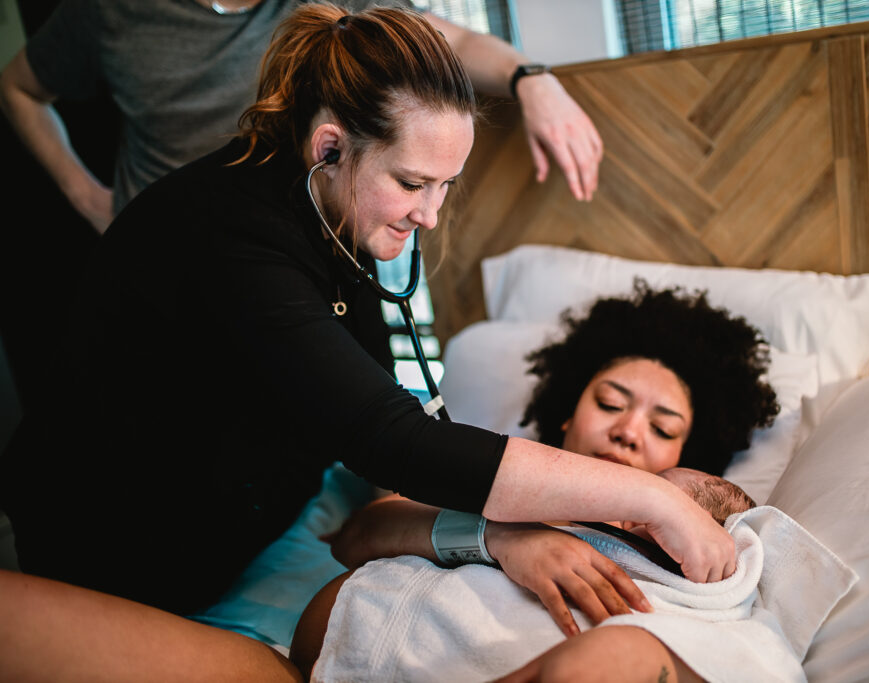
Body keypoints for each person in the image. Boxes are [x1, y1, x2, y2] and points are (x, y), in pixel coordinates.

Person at [0, 8, 732, 679]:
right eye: (415, 182)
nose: (432, 215)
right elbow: (392, 439)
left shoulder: (336, 222)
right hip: (117, 560)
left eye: (447, 185)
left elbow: (377, 442)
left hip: (236, 539)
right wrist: (652, 500)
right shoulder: (234, 235)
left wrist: (496, 539)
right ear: (330, 147)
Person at [290, 282, 779, 680]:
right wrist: (502, 537)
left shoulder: (684, 545)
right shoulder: (503, 481)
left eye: (662, 428)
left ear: (683, 456)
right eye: (610, 403)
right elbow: (356, 537)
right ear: (566, 415)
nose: (628, 431)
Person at [0, 0, 602, 234]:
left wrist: (533, 80)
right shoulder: (108, 12)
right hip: (160, 250)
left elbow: (448, 45)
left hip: (283, 241)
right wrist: (85, 196)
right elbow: (19, 88)